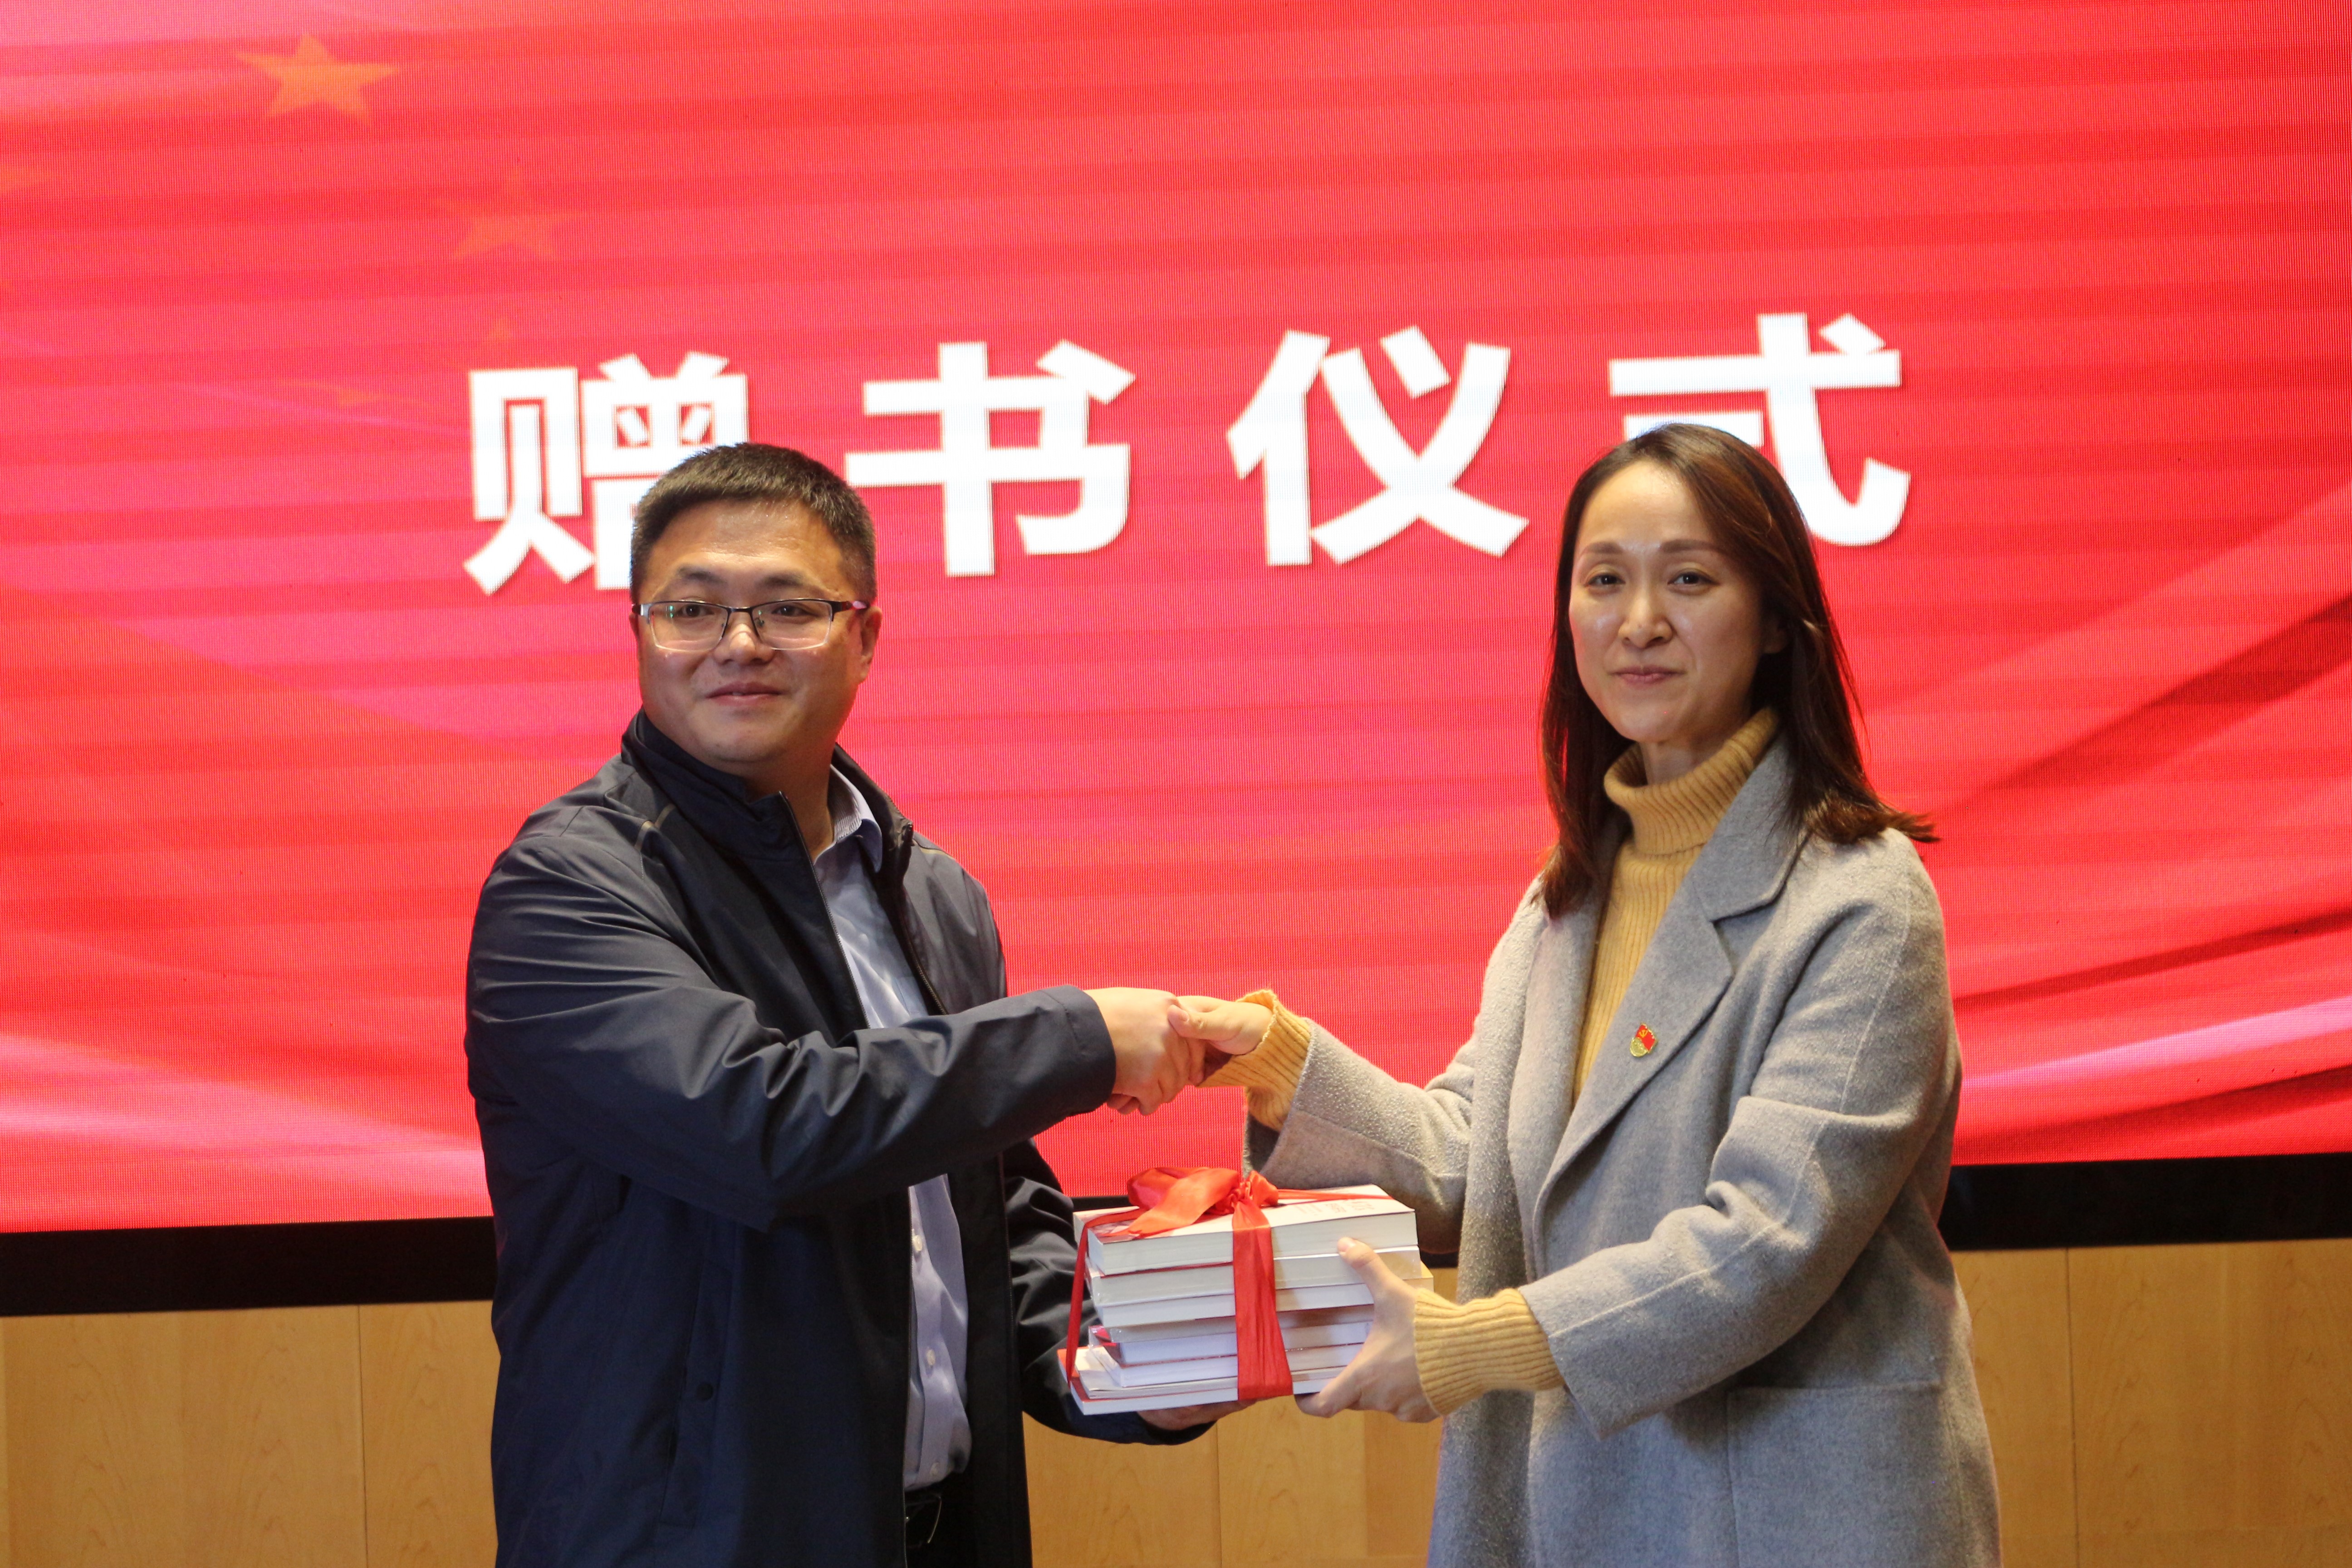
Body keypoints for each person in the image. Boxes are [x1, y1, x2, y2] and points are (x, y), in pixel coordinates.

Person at [1178, 424, 2001, 1567]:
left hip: (1795, 1513)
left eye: (1690, 580)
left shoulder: (1862, 897)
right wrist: (1273, 1058)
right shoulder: (1564, 899)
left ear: (1776, 621)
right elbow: (1477, 1163)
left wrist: (1474, 1344)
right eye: (1604, 580)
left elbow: (1767, 1240)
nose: (1639, 620)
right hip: (1583, 1501)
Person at [465, 443, 1230, 1568]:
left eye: (788, 609)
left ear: (865, 637)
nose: (737, 644)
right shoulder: (570, 885)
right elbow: (762, 1128)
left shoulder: (935, 895)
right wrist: (1079, 1038)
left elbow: (989, 1229)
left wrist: (1148, 1372)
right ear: (637, 632)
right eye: (690, 609)